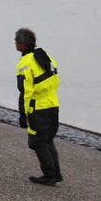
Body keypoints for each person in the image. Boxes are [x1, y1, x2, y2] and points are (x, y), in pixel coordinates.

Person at [15, 28, 63, 185]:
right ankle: (56, 174)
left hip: (38, 108)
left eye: (16, 41)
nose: (15, 44)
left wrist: (23, 114)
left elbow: (25, 92)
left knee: (37, 142)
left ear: (22, 45)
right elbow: (55, 81)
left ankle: (49, 176)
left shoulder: (25, 63)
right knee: (48, 139)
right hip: (53, 104)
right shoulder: (46, 56)